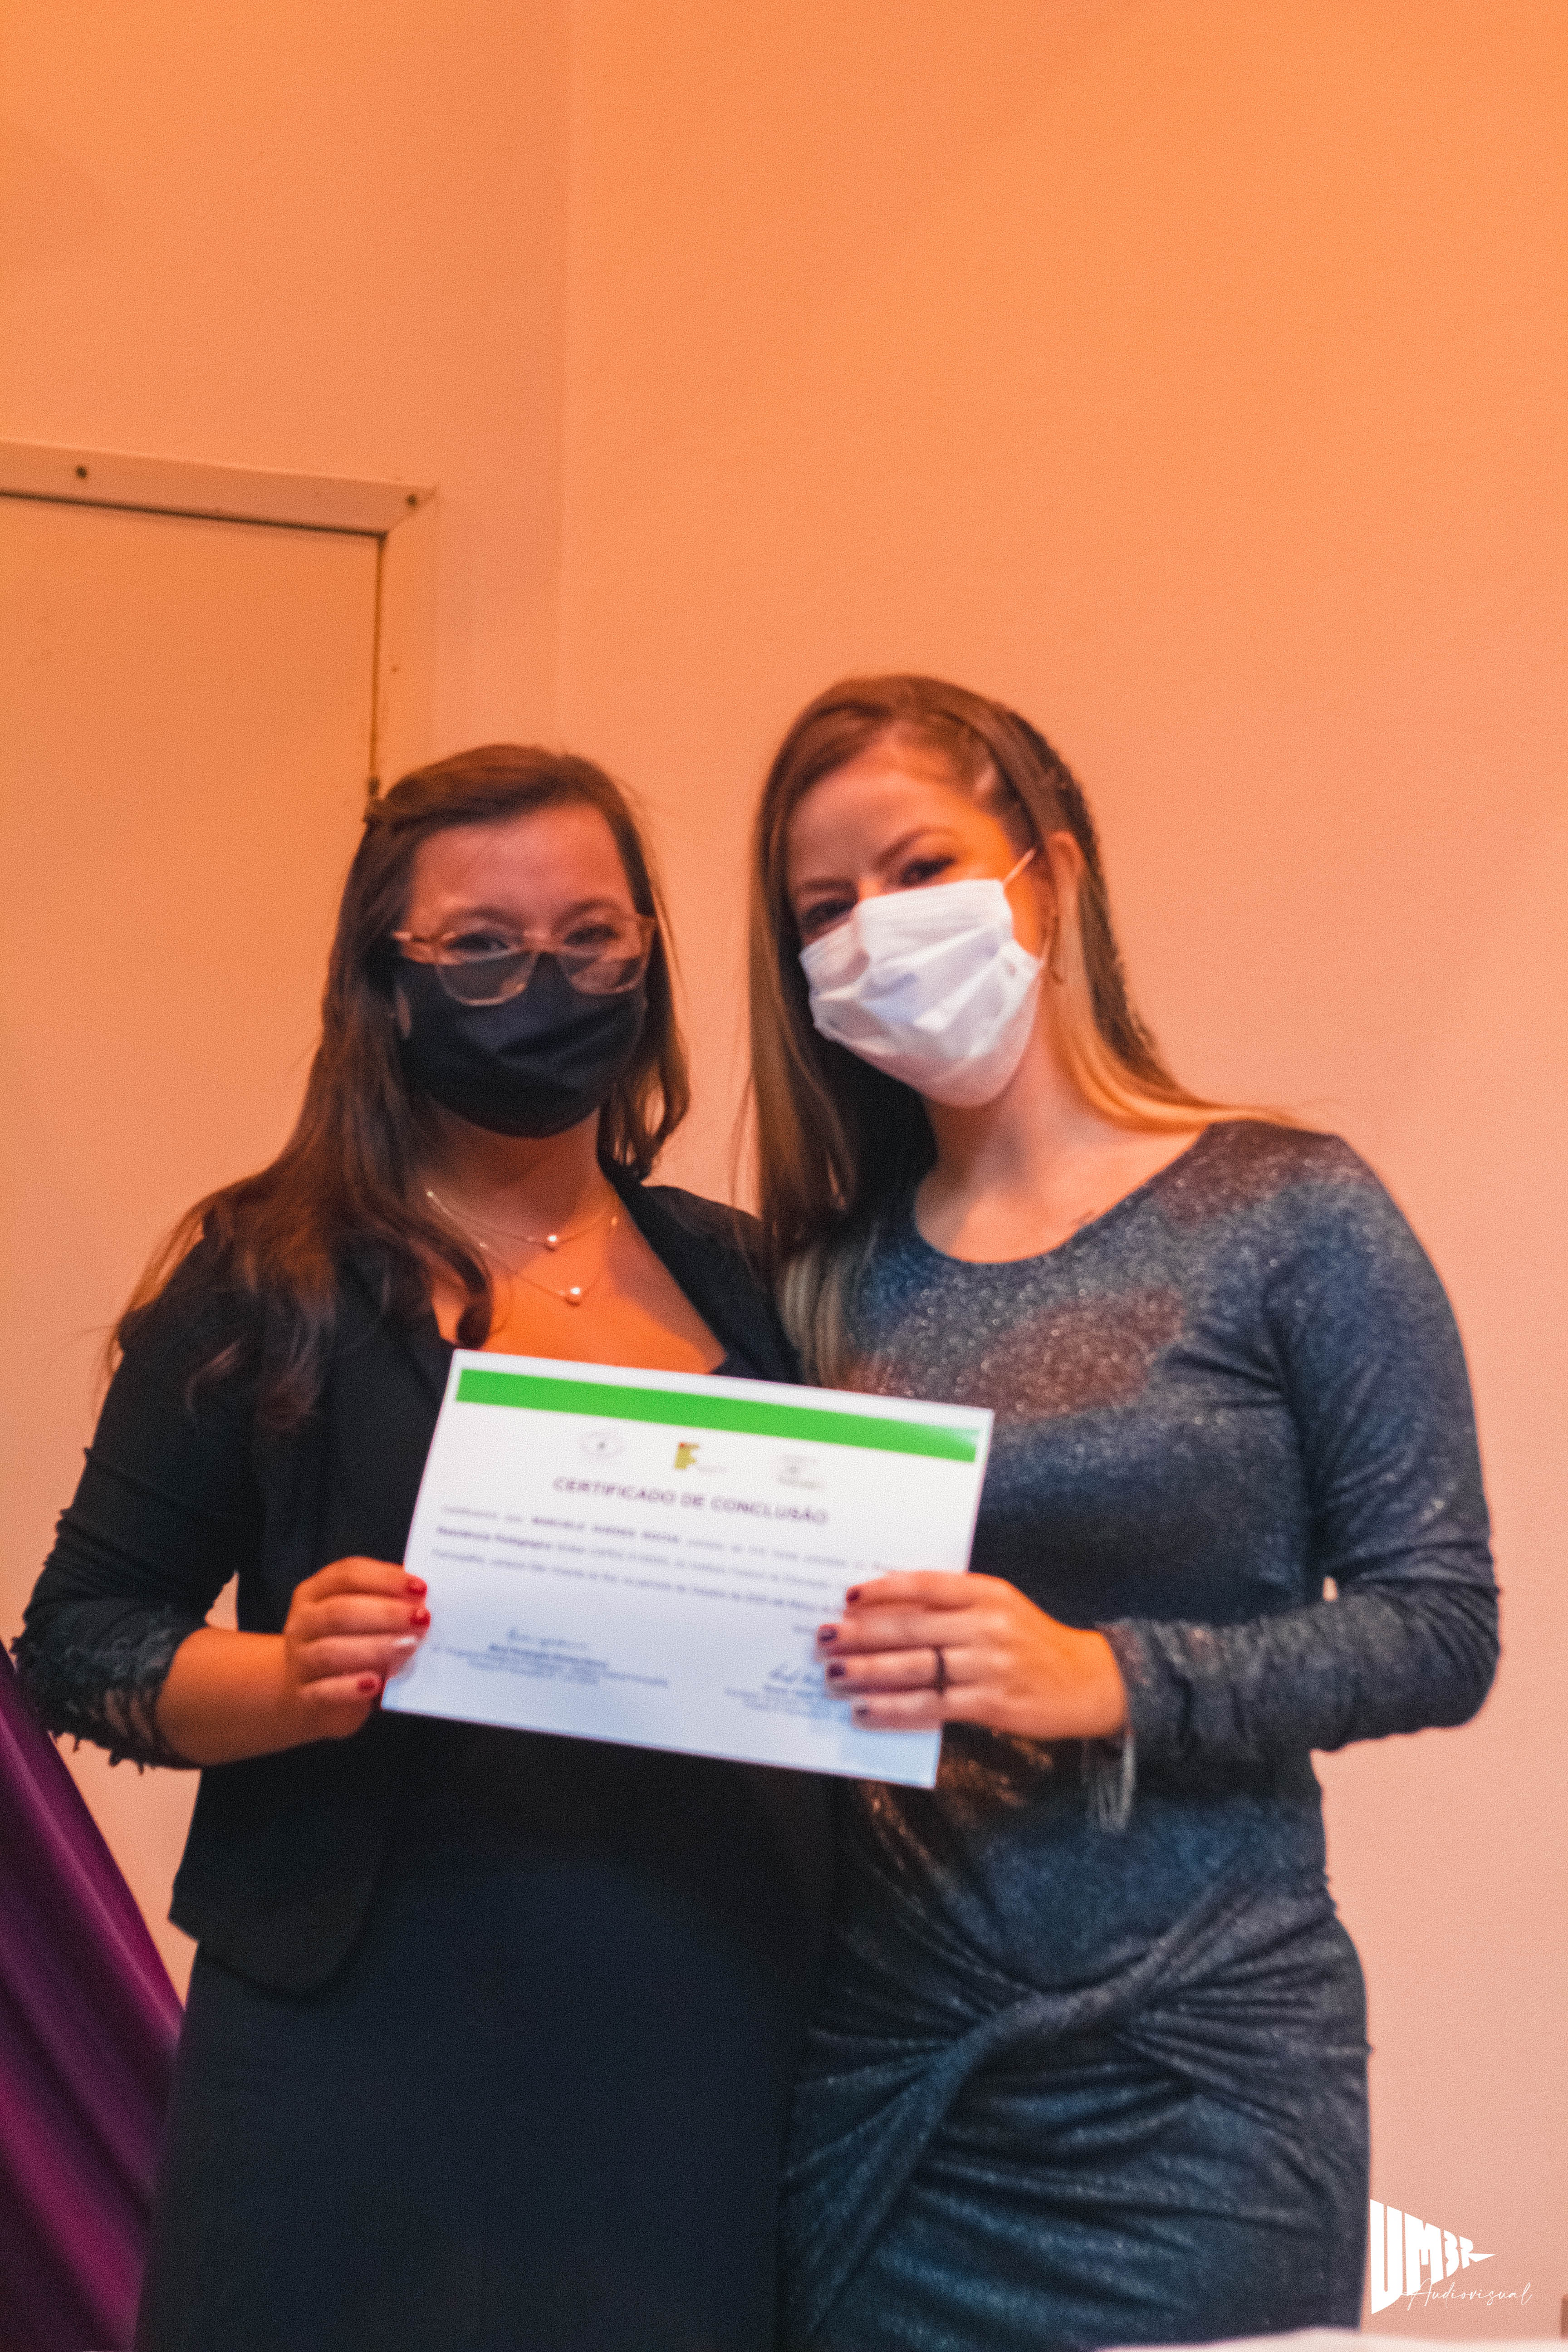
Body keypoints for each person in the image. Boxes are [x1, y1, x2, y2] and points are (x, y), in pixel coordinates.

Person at [16, 745, 832, 2352]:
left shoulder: (757, 1281)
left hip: (703, 2040)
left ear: (653, 955)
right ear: (386, 985)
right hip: (357, 2052)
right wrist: (284, 1677)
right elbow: (80, 1639)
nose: (545, 983)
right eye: (481, 947)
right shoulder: (267, 1276)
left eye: (592, 939)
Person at [745, 675, 1498, 2352]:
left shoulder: (1288, 1212)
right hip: (887, 2082)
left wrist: (1109, 1677)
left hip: (1199, 2076)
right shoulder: (820, 1279)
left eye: (919, 870)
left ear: (1053, 875)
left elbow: (1442, 1629)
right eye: (825, 909)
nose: (874, 932)